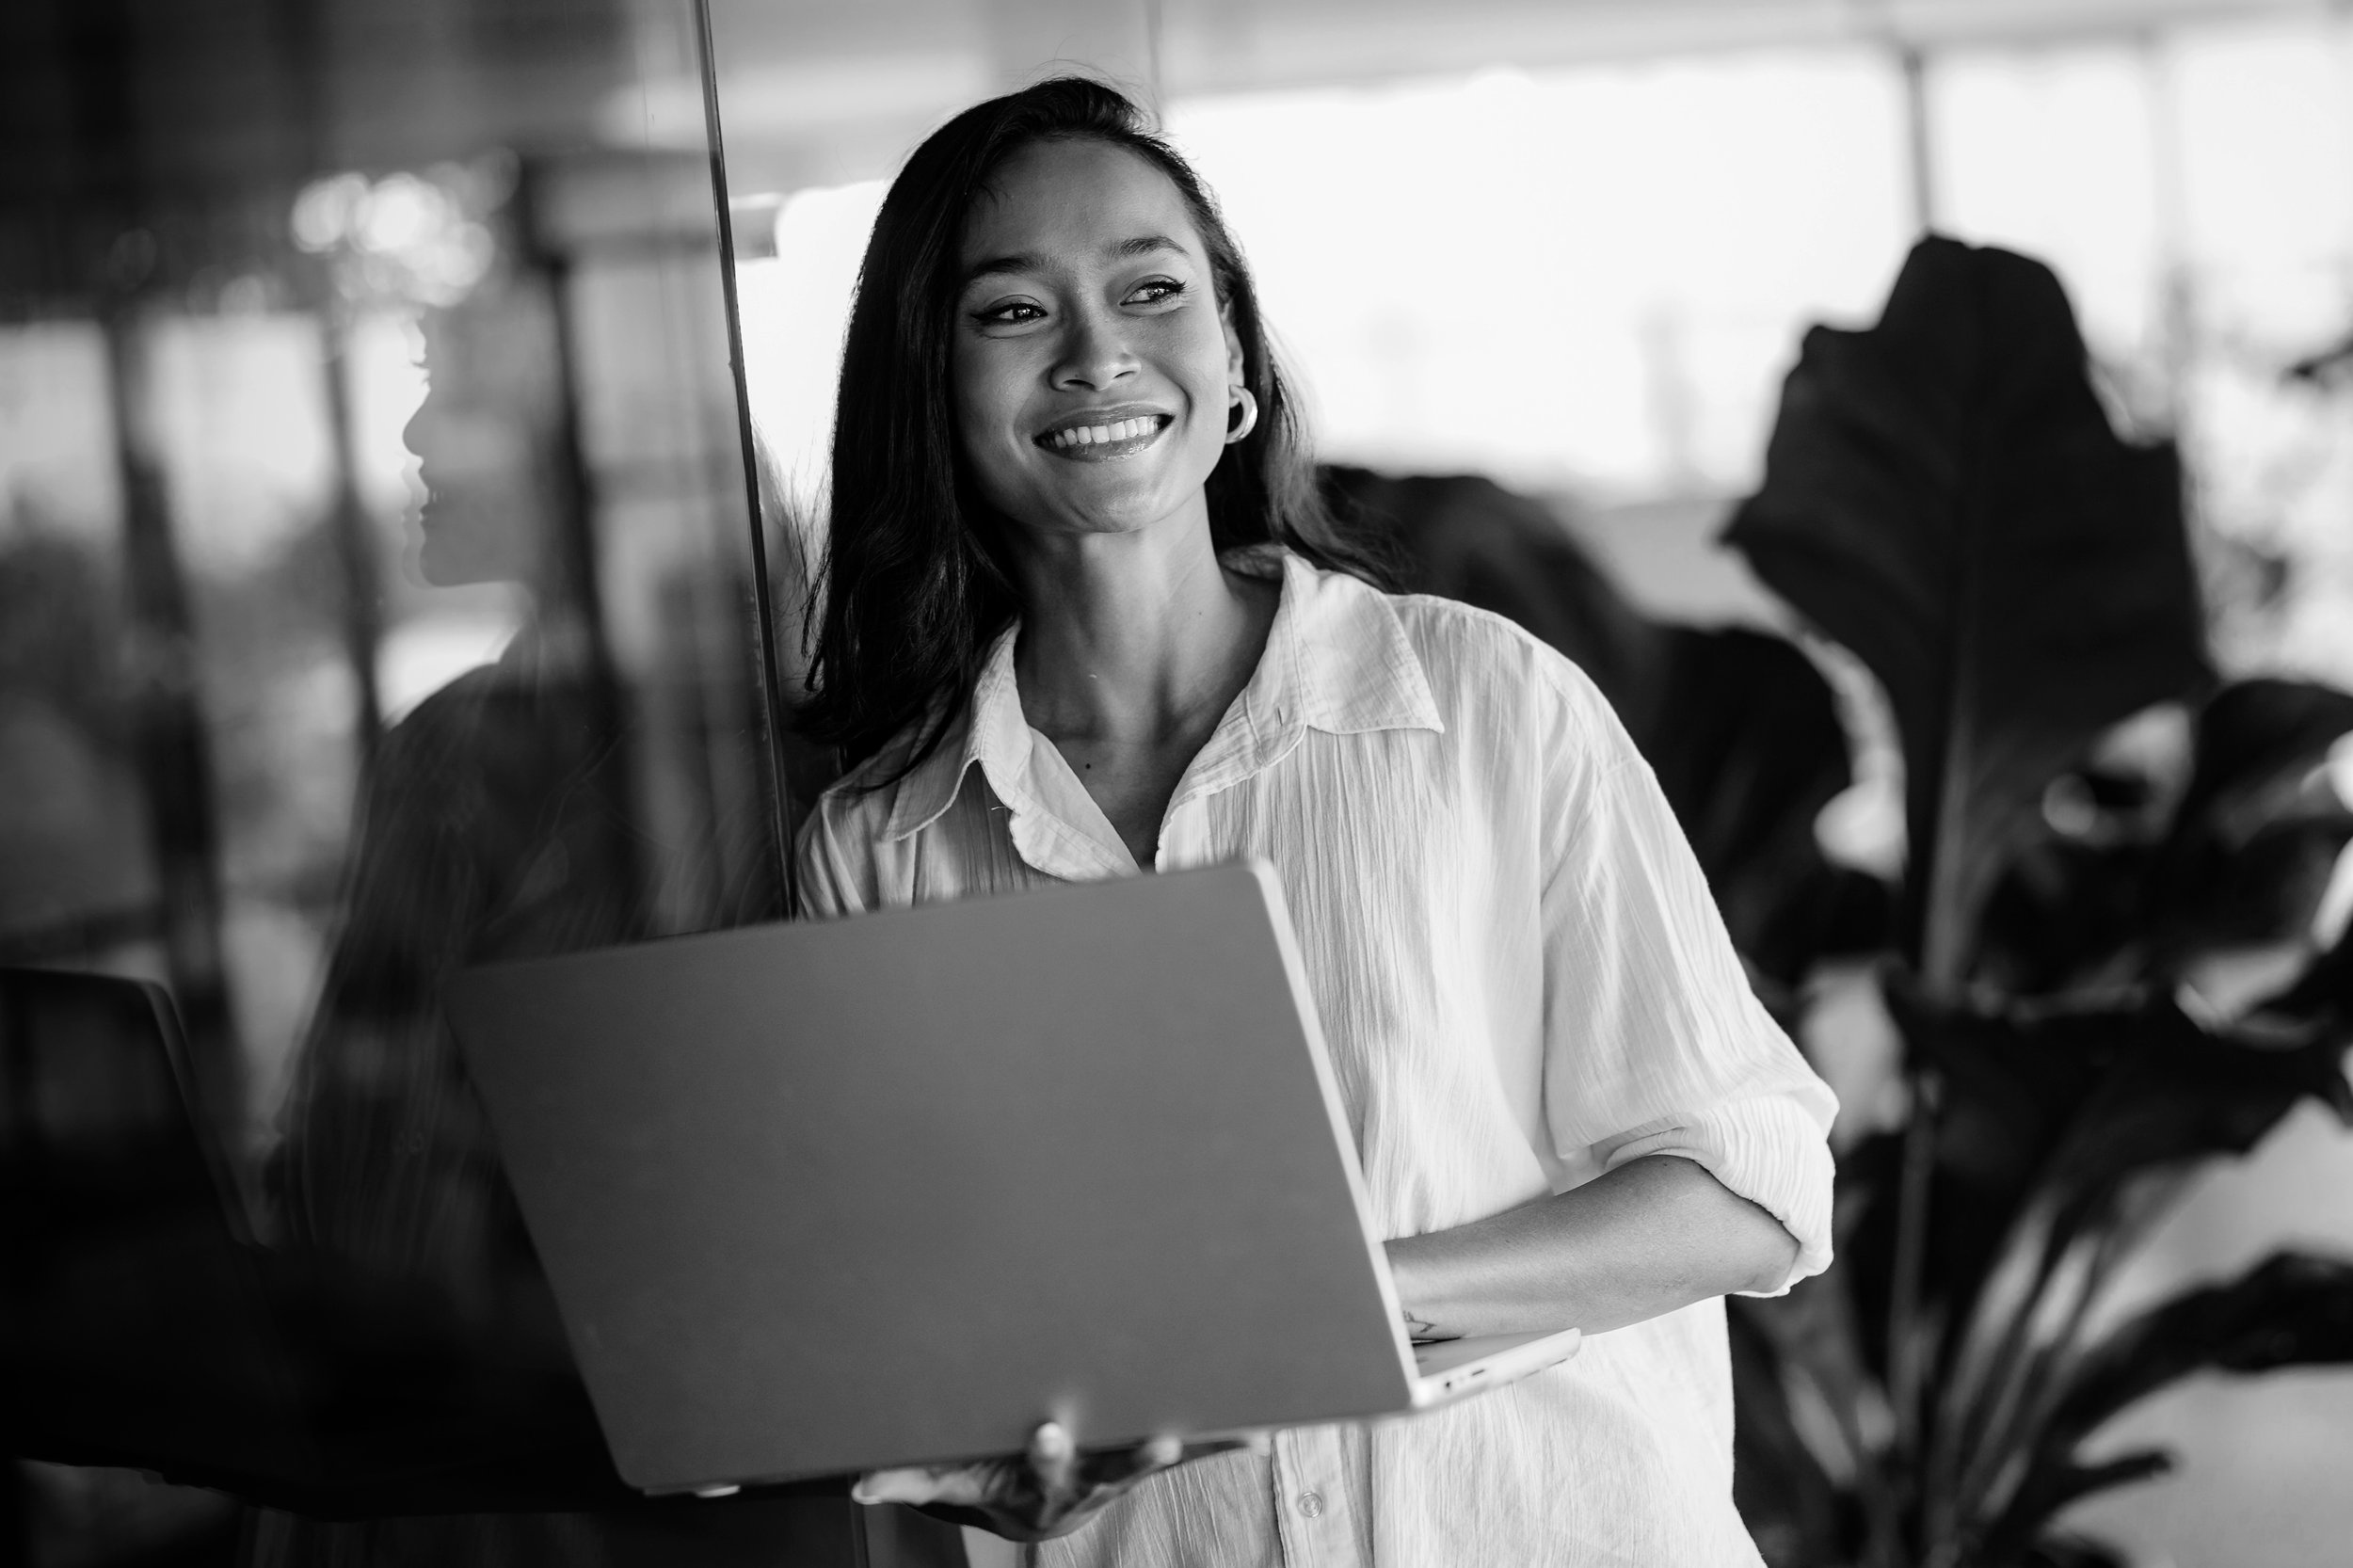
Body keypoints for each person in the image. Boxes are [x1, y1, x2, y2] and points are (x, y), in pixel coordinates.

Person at [793, 76, 1837, 1567]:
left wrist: (1344, 1294)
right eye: (1012, 311)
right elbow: (944, 1323)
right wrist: (972, 1442)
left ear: (1232, 367)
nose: (1096, 352)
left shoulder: (1487, 703)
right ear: (934, 396)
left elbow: (1750, 1190)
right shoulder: (882, 841)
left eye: (1152, 290)